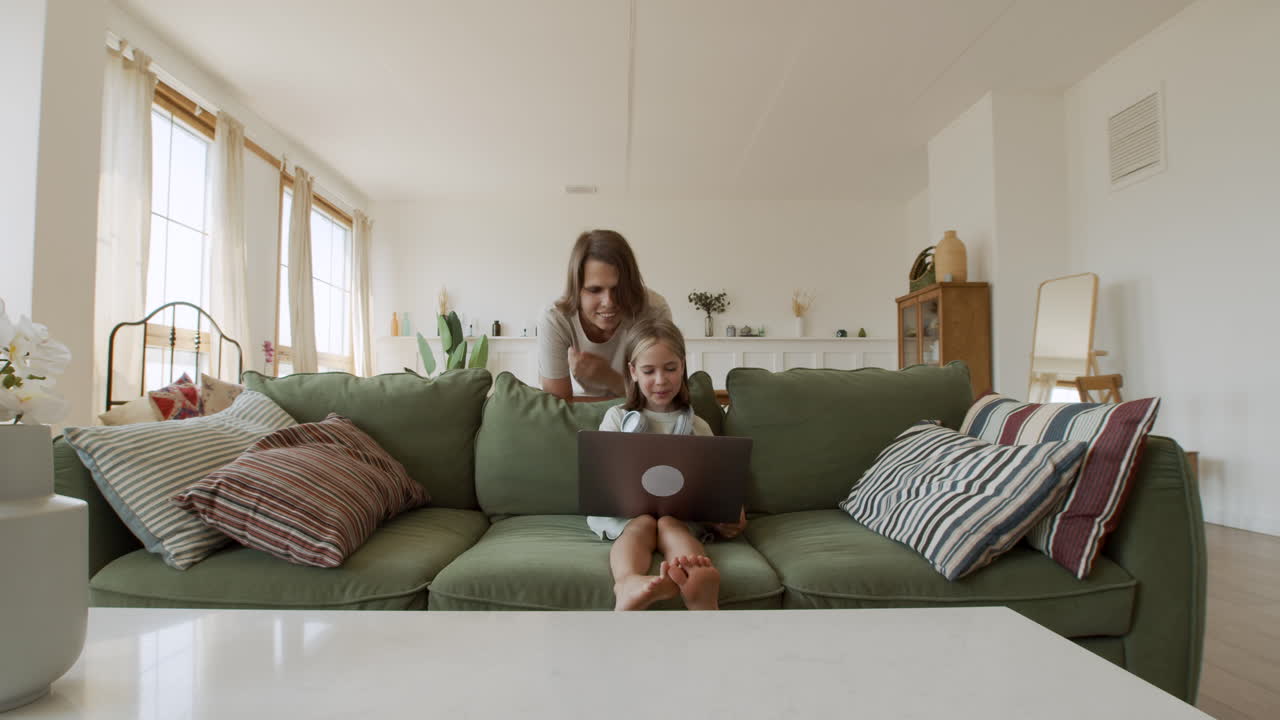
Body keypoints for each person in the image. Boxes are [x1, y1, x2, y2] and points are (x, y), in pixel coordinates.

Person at [587, 318, 747, 611]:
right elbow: (602, 478)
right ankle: (627, 583)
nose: (661, 380)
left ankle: (696, 583)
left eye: (670, 369)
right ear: (633, 372)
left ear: (682, 366)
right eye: (649, 371)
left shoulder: (697, 425)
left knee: (671, 525)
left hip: (679, 516)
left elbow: (716, 484)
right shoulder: (616, 418)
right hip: (628, 517)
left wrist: (729, 514)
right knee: (643, 524)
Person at [538, 229, 672, 400]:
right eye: (595, 290)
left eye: (618, 289)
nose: (608, 301)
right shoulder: (555, 318)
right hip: (612, 404)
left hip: (633, 411)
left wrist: (609, 377)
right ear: (577, 289)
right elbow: (558, 405)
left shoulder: (654, 310)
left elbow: (661, 397)